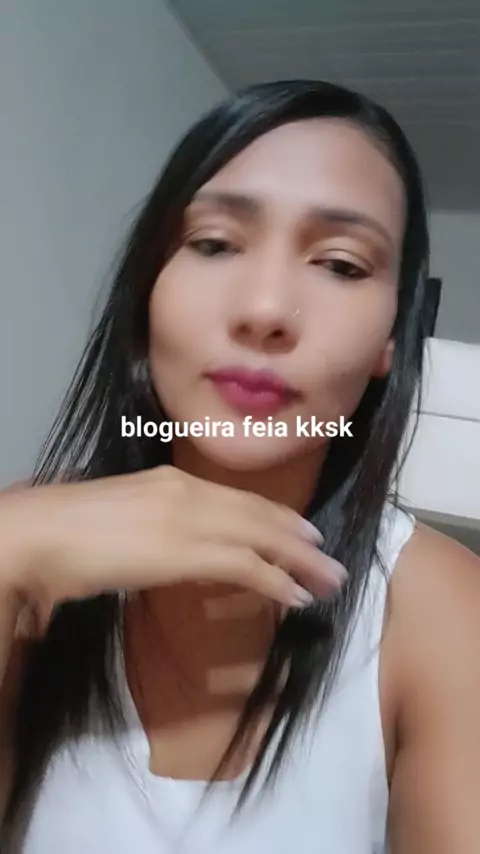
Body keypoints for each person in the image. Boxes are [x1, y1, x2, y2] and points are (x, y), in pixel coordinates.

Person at [0, 80, 479, 854]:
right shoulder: (26, 547)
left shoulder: (440, 606)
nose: (264, 310)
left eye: (341, 264)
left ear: (393, 338)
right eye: (215, 244)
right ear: (147, 292)